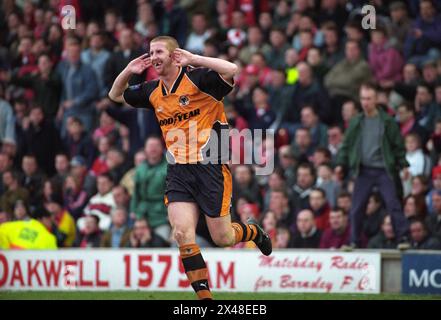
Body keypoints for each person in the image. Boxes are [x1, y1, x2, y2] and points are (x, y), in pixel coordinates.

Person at [109, 35, 271, 300]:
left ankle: (253, 231)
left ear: (175, 56)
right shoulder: (152, 91)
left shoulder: (199, 80)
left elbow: (232, 69)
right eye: (150, 52)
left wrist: (194, 58)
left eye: (158, 51)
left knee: (223, 237)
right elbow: (114, 95)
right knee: (182, 233)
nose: (153, 57)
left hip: (211, 167)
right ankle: (206, 301)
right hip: (178, 170)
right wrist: (129, 70)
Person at [335, 83, 410, 248]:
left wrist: (404, 165)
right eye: (362, 98)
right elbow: (346, 145)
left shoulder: (387, 121)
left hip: (384, 170)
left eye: (369, 98)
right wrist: (340, 164)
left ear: (376, 99)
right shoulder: (356, 122)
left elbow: (398, 146)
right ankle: (354, 240)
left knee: (393, 203)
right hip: (364, 170)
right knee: (356, 208)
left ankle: (403, 238)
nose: (365, 102)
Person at [130, 136, 169, 242]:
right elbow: (136, 193)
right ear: (145, 149)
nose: (153, 149)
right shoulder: (140, 168)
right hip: (143, 214)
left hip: (162, 214)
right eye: (150, 146)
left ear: (162, 148)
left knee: (162, 242)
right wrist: (133, 210)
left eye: (156, 146)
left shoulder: (169, 167)